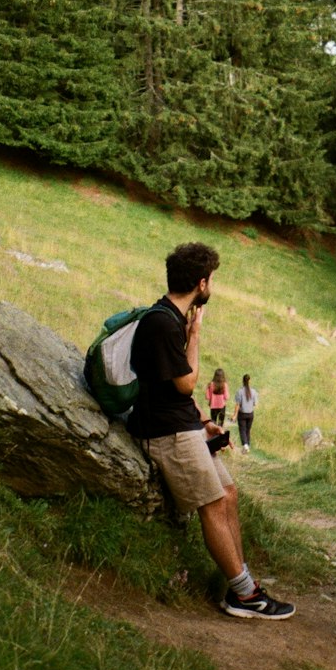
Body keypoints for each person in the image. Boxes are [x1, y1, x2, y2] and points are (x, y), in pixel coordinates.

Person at [126, 242, 294, 620]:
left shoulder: (171, 319)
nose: (212, 285)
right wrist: (196, 336)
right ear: (201, 283)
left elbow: (173, 388)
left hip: (183, 426)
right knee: (213, 504)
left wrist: (203, 422)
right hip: (166, 433)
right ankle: (245, 595)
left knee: (229, 493)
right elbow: (185, 383)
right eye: (212, 279)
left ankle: (241, 581)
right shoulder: (162, 322)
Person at [232, 374, 257, 452]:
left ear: (243, 381)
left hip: (242, 414)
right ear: (250, 381)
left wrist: (235, 415)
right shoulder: (253, 391)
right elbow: (255, 403)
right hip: (250, 414)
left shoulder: (239, 391)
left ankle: (245, 445)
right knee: (247, 431)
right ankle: (247, 446)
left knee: (242, 430)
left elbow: (238, 404)